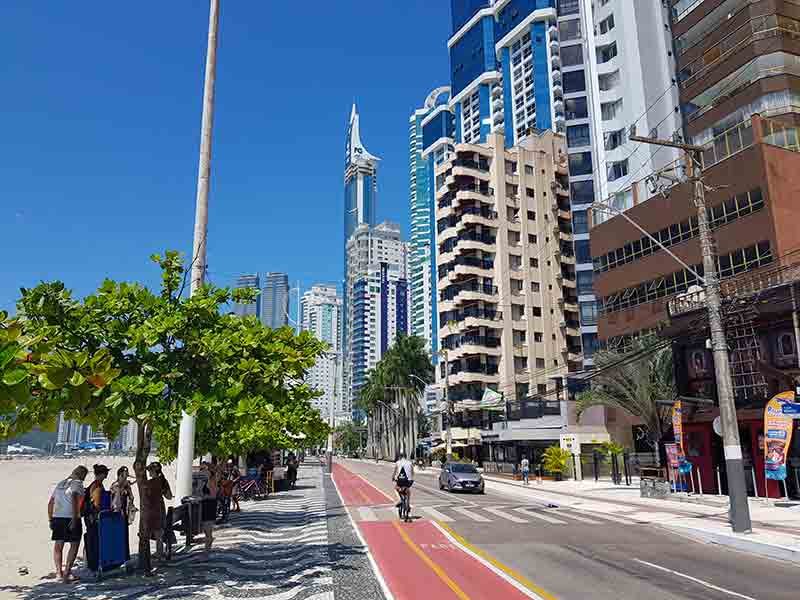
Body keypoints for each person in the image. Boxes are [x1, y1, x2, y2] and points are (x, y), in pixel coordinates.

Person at [48, 465, 89, 583]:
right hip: (70, 517)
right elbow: (75, 497)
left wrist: (50, 519)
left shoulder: (60, 483)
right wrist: (75, 517)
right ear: (82, 475)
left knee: (58, 545)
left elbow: (51, 503)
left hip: (57, 517)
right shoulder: (78, 483)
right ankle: (67, 573)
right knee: (74, 544)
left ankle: (58, 573)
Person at [82, 464, 110, 574]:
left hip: (89, 517)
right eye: (106, 473)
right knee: (93, 540)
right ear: (102, 474)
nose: (107, 474)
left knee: (91, 539)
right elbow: (97, 503)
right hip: (93, 518)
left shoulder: (94, 485)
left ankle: (90, 563)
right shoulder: (97, 486)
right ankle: (93, 565)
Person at [142, 462, 173, 558]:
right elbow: (169, 497)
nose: (149, 472)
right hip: (161, 509)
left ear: (154, 471)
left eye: (150, 470)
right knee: (158, 533)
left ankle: (157, 553)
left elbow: (144, 498)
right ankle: (159, 551)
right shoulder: (163, 481)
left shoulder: (150, 483)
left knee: (152, 533)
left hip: (152, 511)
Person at [110, 466, 135, 560]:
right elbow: (115, 501)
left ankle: (124, 556)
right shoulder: (116, 485)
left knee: (124, 535)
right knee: (118, 535)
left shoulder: (125, 485)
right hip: (117, 512)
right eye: (125, 474)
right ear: (120, 475)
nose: (126, 476)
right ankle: (119, 556)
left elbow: (131, 497)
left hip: (124, 512)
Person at [199, 461, 219, 552]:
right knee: (206, 528)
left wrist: (203, 496)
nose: (202, 471)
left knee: (207, 529)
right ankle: (207, 549)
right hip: (206, 504)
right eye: (201, 469)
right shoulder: (206, 480)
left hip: (209, 504)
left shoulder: (211, 480)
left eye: (204, 469)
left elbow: (213, 495)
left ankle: (207, 551)